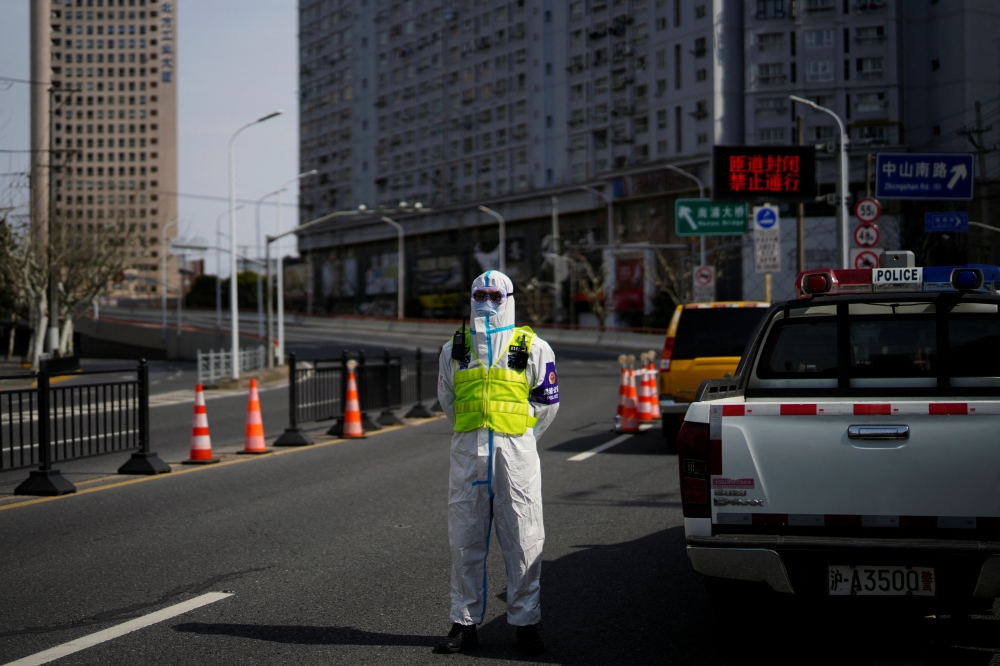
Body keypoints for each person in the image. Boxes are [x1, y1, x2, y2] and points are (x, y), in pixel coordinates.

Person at [436, 271, 560, 655]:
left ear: (508, 296)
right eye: (479, 293)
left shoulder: (534, 347)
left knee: (524, 541)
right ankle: (463, 623)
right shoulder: (453, 348)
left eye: (494, 294)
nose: (486, 300)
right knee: (464, 542)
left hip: (515, 458)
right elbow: (447, 399)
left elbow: (547, 405)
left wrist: (520, 438)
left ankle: (526, 624)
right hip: (468, 457)